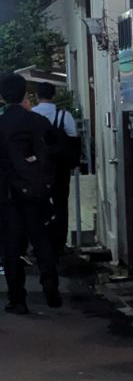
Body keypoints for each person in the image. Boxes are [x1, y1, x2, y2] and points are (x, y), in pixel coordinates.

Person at [0, 74, 61, 314]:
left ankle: (18, 300)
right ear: (25, 94)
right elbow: (54, 154)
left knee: (11, 248)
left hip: (8, 195)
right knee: (41, 240)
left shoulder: (2, 124)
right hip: (37, 193)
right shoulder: (38, 122)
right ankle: (51, 286)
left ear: (2, 97)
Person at [32, 81, 80, 257]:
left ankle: (39, 244)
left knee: (37, 206)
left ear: (37, 96)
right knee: (61, 205)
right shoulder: (64, 116)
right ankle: (58, 244)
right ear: (54, 96)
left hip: (37, 170)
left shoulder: (31, 115)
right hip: (60, 168)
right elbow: (74, 140)